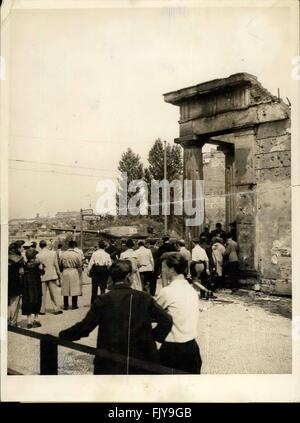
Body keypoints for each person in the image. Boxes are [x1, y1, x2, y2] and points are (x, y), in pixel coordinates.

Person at [59, 260, 173, 374]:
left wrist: (63, 335)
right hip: (142, 359)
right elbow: (166, 320)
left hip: (111, 360)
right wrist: (153, 336)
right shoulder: (144, 298)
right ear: (128, 276)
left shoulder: (103, 300)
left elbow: (84, 327)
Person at [156, 252, 202, 374]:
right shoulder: (192, 291)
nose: (162, 271)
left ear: (171, 269)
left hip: (173, 349)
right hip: (192, 347)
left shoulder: (167, 292)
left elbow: (152, 313)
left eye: (163, 267)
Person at [37, 240, 63, 315]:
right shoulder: (53, 253)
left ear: (40, 246)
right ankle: (56, 308)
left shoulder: (38, 255)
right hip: (52, 275)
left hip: (43, 276)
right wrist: (58, 273)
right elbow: (56, 264)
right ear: (46, 245)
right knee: (54, 293)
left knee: (42, 294)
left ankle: (42, 310)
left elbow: (39, 267)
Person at [22, 249, 45, 329]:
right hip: (36, 282)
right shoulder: (38, 263)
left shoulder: (24, 264)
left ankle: (28, 321)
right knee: (37, 299)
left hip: (27, 283)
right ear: (34, 256)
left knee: (27, 300)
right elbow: (42, 272)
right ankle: (36, 319)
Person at [60, 240, 83, 310]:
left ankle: (66, 305)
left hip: (65, 271)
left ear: (68, 245)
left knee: (65, 288)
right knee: (74, 288)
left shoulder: (63, 254)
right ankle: (74, 305)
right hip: (73, 270)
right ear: (74, 246)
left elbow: (60, 263)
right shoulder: (77, 254)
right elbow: (80, 264)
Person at [8, 242, 24, 326]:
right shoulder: (19, 259)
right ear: (16, 249)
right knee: (14, 303)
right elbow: (22, 272)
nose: (21, 249)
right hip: (15, 283)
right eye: (20, 247)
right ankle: (13, 322)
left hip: (5, 282)